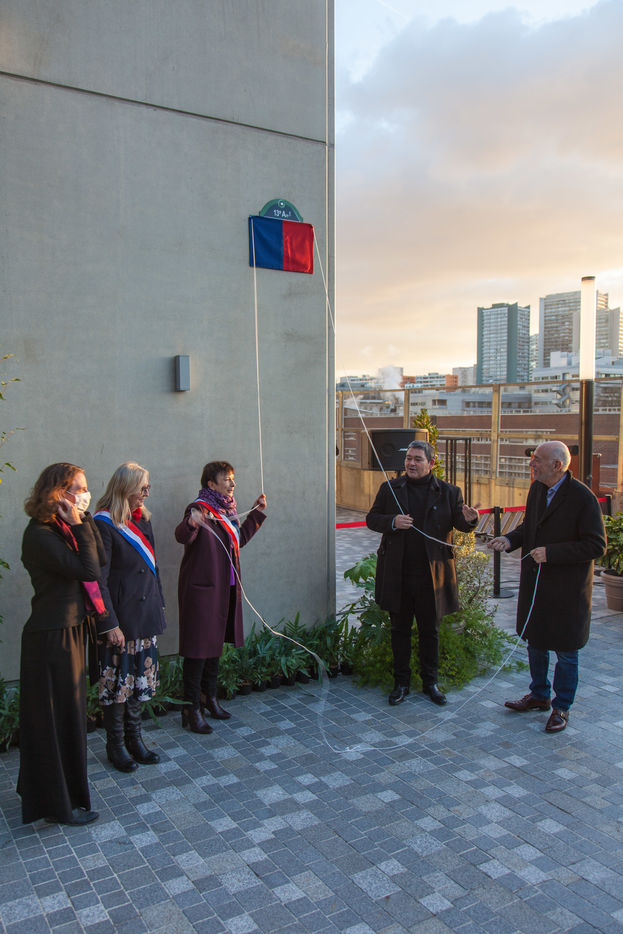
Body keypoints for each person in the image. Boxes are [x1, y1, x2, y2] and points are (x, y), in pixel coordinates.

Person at [489, 441, 606, 733]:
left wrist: (552, 553)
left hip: (567, 592)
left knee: (566, 651)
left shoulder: (583, 498)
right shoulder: (537, 489)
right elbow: (529, 526)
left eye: (537, 460)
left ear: (557, 465)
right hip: (537, 585)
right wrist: (509, 539)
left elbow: (596, 545)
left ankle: (561, 707)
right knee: (536, 642)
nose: (532, 464)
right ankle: (539, 695)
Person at [18, 462, 110, 825]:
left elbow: (100, 558)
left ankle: (56, 795)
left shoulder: (65, 527)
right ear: (58, 492)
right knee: (56, 722)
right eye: (79, 488)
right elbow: (88, 570)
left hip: (69, 630)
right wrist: (79, 524)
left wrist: (82, 520)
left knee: (67, 719)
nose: (85, 494)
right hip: (50, 637)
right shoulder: (40, 534)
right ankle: (57, 805)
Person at [366, 440, 479, 707]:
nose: (411, 463)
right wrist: (393, 522)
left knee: (430, 631)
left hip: (433, 577)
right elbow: (372, 519)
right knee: (399, 630)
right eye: (409, 458)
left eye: (418, 459)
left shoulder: (449, 492)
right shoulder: (390, 488)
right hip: (399, 575)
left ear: (431, 463)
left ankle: (431, 683)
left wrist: (471, 520)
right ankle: (401, 683)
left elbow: (460, 524)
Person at [175, 461, 266, 733]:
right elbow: (182, 535)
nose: (232, 483)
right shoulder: (200, 508)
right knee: (198, 650)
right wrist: (191, 523)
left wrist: (256, 514)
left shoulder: (228, 510)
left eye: (233, 478)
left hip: (225, 589)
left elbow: (239, 541)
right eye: (226, 479)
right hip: (202, 591)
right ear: (211, 483)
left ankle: (209, 697)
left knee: (215, 646)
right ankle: (191, 708)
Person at [94, 463, 166, 771]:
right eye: (142, 488)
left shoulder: (142, 519)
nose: (147, 493)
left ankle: (135, 739)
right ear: (125, 488)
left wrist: (159, 603)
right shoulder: (103, 523)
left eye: (148, 487)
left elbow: (153, 568)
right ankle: (116, 745)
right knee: (119, 685)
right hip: (121, 620)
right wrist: (109, 623)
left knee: (138, 682)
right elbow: (99, 578)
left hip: (144, 614)